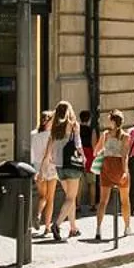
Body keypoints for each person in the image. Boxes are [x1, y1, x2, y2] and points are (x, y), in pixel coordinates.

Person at [92, 111, 132, 239]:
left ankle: (98, 229)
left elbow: (95, 152)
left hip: (107, 166)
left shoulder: (105, 135)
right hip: (119, 167)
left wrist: (105, 149)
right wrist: (125, 172)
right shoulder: (125, 136)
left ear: (112, 121)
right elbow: (124, 156)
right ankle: (127, 227)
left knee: (103, 201)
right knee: (125, 201)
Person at [51, 102, 84, 242]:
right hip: (71, 163)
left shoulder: (54, 126)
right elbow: (78, 144)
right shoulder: (73, 125)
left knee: (68, 198)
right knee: (71, 198)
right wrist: (84, 157)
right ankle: (56, 225)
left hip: (59, 166)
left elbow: (52, 144)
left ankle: (73, 228)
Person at [30, 108, 58, 238]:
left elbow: (32, 154)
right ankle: (47, 227)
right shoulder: (52, 135)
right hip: (50, 166)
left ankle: (38, 214)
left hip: (37, 166)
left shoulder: (34, 134)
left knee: (42, 196)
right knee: (50, 198)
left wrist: (35, 168)